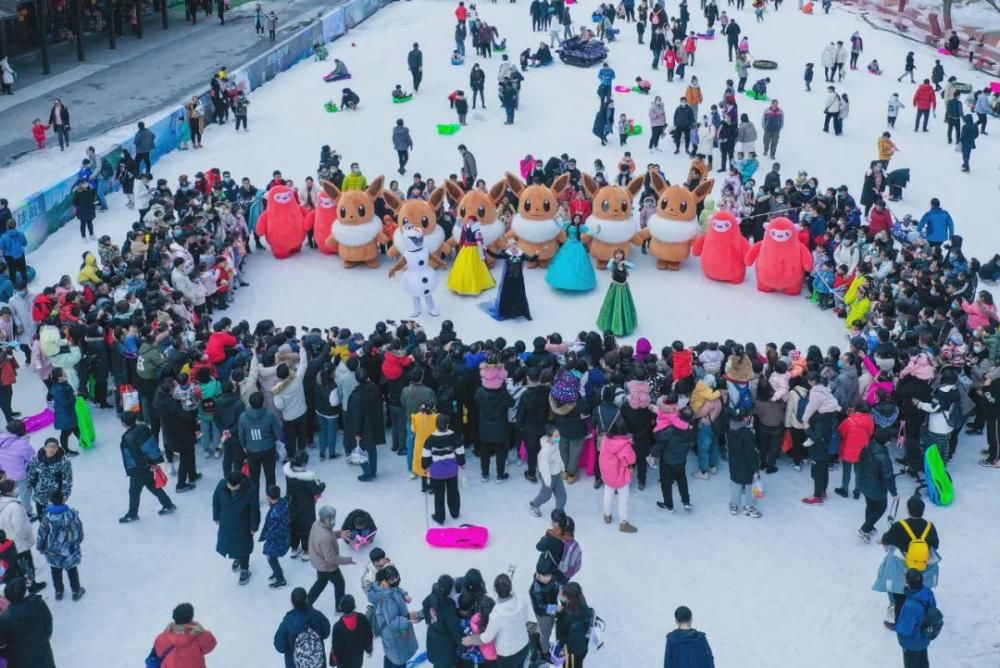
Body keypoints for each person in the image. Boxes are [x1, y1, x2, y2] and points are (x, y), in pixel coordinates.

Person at [461, 573, 530, 667]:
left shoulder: (496, 615)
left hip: (508, 654)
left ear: (495, 590)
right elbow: (526, 620)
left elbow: (486, 638)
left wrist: (471, 639)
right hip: (524, 645)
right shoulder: (521, 601)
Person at [118, 412, 176, 523]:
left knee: (134, 492)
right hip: (148, 465)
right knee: (152, 486)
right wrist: (153, 463)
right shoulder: (143, 428)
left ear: (124, 423)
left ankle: (132, 514)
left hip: (138, 469)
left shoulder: (128, 438)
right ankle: (168, 504)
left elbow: (136, 456)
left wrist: (144, 467)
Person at [212, 470, 260, 585]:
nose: (232, 488)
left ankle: (244, 568)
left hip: (243, 524)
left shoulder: (250, 491)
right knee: (231, 544)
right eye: (230, 486)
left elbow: (254, 509)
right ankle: (237, 557)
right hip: (227, 523)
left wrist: (254, 525)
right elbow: (216, 501)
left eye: (235, 487)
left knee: (244, 547)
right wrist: (216, 516)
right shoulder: (221, 485)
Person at [35, 491, 84, 601]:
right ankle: (76, 591)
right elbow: (78, 527)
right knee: (72, 570)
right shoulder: (71, 514)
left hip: (53, 551)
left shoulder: (47, 517)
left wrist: (40, 547)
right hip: (69, 549)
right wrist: (79, 539)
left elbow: (42, 533)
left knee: (55, 571)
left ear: (50, 501)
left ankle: (58, 591)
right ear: (63, 500)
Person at [368, 564, 420, 668]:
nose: (396, 581)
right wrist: (409, 620)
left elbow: (396, 588)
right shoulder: (387, 600)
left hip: (392, 635)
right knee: (399, 660)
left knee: (390, 656)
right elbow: (392, 621)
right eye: (393, 579)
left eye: (397, 577)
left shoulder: (384, 587)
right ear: (384, 581)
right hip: (395, 636)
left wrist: (404, 594)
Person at [307, 505, 355, 610]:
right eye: (331, 518)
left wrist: (338, 534)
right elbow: (331, 558)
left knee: (321, 582)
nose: (334, 521)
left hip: (318, 560)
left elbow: (327, 533)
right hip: (327, 566)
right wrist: (348, 560)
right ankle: (340, 607)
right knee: (340, 583)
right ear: (324, 519)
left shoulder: (316, 524)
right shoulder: (326, 537)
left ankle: (307, 603)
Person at [0, 578, 56, 668]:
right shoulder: (39, 603)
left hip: (20, 661)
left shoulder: (6, 619)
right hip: (43, 655)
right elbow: (48, 626)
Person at [856, 427, 898, 542]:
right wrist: (894, 493)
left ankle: (869, 526)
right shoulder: (884, 457)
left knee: (870, 505)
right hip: (877, 487)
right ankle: (864, 529)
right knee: (881, 508)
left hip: (865, 483)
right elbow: (888, 477)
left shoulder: (867, 447)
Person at [421, 414, 465, 524]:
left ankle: (440, 517)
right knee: (453, 492)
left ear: (436, 425)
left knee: (439, 496)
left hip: (437, 472)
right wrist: (461, 462)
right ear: (448, 425)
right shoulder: (454, 436)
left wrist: (425, 467)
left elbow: (426, 456)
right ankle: (455, 513)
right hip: (451, 471)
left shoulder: (430, 439)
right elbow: (460, 452)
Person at [274, 587, 331, 668]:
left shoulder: (287, 622)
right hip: (317, 663)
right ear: (306, 599)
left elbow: (280, 647)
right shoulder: (318, 616)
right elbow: (326, 633)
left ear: (292, 602)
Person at [482, 238, 537, 320]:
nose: (513, 247)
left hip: (518, 280)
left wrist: (536, 254)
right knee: (508, 295)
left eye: (514, 245)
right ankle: (507, 312)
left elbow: (532, 259)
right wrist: (486, 249)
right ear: (509, 247)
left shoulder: (521, 255)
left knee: (520, 295)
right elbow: (495, 256)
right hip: (508, 280)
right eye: (511, 246)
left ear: (516, 245)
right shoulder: (507, 254)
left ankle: (523, 312)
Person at [238, 391, 281, 495]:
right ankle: (272, 497)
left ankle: (254, 499)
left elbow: (241, 435)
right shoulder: (269, 415)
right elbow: (278, 433)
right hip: (268, 449)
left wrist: (244, 446)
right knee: (270, 475)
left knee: (254, 477)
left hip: (252, 450)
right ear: (263, 402)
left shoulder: (243, 416)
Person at [346, 369, 385, 481]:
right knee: (372, 448)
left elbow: (356, 415)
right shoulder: (375, 389)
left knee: (358, 449)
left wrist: (357, 432)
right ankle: (373, 470)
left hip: (362, 426)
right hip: (373, 423)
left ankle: (367, 472)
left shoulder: (356, 395)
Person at [285, 450, 325, 560]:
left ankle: (294, 549)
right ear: (304, 463)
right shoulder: (308, 479)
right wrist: (322, 485)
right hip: (306, 507)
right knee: (307, 530)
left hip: (292, 505)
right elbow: (316, 490)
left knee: (294, 528)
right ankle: (307, 551)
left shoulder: (288, 474)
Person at [152, 602, 218, 668]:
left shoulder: (163, 638)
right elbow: (212, 644)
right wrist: (199, 628)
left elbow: (159, 653)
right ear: (191, 617)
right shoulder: (199, 636)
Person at [895, 569, 936, 668]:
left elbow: (905, 629)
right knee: (923, 662)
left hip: (912, 643)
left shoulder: (911, 606)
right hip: (924, 637)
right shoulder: (927, 592)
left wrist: (897, 627)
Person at [422, 574, 463, 668]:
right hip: (445, 645)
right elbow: (454, 629)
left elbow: (425, 604)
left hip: (432, 637)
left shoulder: (432, 595)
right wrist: (462, 647)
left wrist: (428, 622)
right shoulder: (449, 605)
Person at [727, 407, 761, 517]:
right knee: (750, 486)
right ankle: (749, 507)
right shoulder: (747, 434)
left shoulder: (730, 429)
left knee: (736, 483)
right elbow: (750, 453)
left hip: (734, 462)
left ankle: (734, 505)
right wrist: (755, 468)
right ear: (745, 418)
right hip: (747, 465)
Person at [27, 437, 73, 519]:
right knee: (41, 515)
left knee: (56, 516)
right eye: (49, 446)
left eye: (54, 447)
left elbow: (68, 478)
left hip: (55, 495)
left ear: (58, 448)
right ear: (45, 447)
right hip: (40, 493)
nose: (52, 449)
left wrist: (65, 494)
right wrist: (31, 485)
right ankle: (43, 527)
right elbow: (31, 473)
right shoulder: (37, 459)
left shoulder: (64, 461)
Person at [597, 249, 637, 337]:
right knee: (613, 304)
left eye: (620, 254)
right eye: (617, 254)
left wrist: (624, 262)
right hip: (615, 287)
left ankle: (624, 324)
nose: (618, 256)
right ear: (614, 255)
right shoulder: (613, 263)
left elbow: (633, 266)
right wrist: (612, 260)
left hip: (623, 287)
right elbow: (608, 266)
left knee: (624, 304)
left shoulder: (624, 263)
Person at [554, 582, 594, 667]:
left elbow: (563, 636)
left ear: (570, 599)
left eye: (564, 596)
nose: (562, 598)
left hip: (571, 652)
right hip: (582, 649)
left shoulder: (568, 618)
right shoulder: (584, 608)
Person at [530, 426, 567, 517]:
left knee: (562, 496)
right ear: (549, 437)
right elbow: (544, 467)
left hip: (557, 474)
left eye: (559, 435)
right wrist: (548, 481)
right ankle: (534, 505)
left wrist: (562, 468)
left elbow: (558, 457)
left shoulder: (555, 444)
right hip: (549, 477)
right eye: (556, 436)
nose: (559, 438)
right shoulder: (545, 451)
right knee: (546, 495)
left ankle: (559, 515)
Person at [330, 594, 374, 668]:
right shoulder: (362, 618)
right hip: (358, 660)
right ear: (354, 606)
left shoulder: (338, 627)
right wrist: (369, 648)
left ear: (341, 608)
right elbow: (369, 635)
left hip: (343, 664)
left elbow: (336, 648)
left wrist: (333, 661)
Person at [260, 483, 290, 588]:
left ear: (268, 497)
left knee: (270, 556)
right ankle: (277, 571)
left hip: (277, 538)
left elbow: (274, 529)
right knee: (273, 556)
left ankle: (280, 579)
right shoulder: (283, 502)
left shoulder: (275, 513)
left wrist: (266, 536)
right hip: (285, 535)